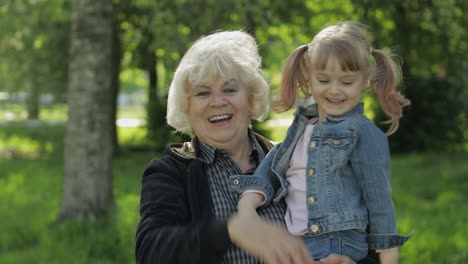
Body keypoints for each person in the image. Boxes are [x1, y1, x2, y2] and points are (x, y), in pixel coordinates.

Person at [135, 30, 374, 264]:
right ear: (187, 107)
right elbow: (151, 251)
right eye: (203, 93)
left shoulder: (296, 159)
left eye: (230, 89)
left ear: (251, 98)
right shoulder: (172, 172)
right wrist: (230, 231)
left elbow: (370, 239)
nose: (218, 102)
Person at [232, 21, 413, 264]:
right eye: (324, 80)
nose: (335, 90)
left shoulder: (362, 132)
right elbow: (272, 168)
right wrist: (247, 204)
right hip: (299, 242)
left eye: (346, 82)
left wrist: (388, 256)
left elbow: (379, 198)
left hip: (337, 242)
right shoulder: (302, 126)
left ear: (365, 80)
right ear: (309, 77)